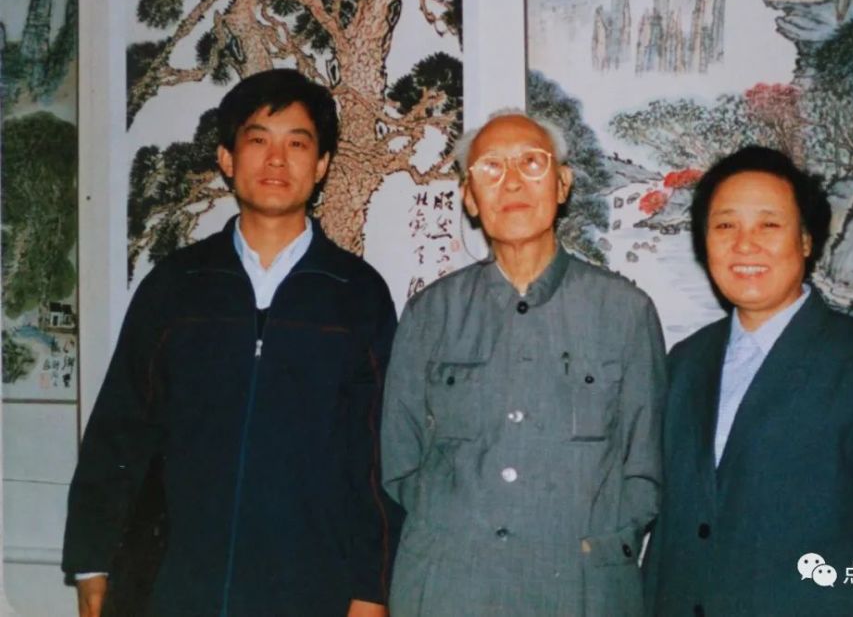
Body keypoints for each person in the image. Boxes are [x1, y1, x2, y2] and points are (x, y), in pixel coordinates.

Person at [63, 69, 401, 617]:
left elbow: (378, 457)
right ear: (227, 158)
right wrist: (90, 560)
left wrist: (372, 589)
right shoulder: (176, 285)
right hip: (175, 587)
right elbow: (119, 428)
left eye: (297, 144)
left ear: (321, 165)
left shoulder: (357, 294)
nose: (276, 160)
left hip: (310, 589)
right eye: (258, 140)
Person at [642, 146, 853, 616]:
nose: (745, 244)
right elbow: (672, 540)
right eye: (725, 226)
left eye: (769, 225)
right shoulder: (685, 362)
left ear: (805, 241)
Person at [381, 110, 667, 616]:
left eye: (531, 163)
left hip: (580, 592)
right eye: (491, 167)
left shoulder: (625, 312)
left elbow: (644, 470)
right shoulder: (431, 314)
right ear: (470, 197)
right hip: (451, 591)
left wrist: (588, 542)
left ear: (562, 184)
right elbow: (400, 463)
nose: (512, 181)